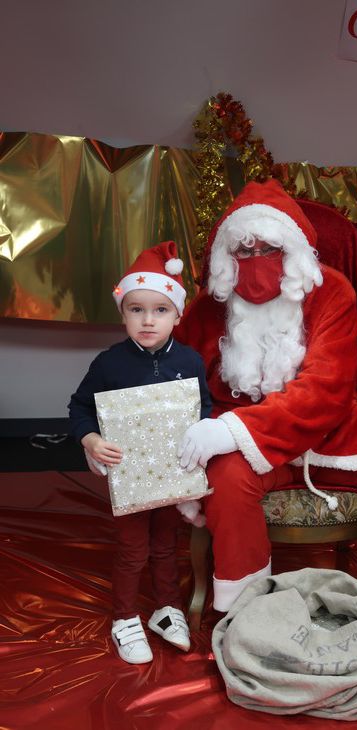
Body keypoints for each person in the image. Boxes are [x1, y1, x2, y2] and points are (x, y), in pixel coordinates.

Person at [176, 179, 357, 677]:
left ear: (293, 250)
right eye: (243, 247)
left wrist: (232, 430)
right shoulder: (208, 307)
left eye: (269, 247)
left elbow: (327, 390)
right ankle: (246, 616)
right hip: (245, 438)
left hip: (327, 428)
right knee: (226, 480)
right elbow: (175, 377)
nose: (256, 257)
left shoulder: (330, 290)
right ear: (226, 253)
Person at [69, 241, 211, 664]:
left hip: (172, 475)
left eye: (160, 309)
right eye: (137, 309)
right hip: (130, 476)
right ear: (123, 313)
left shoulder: (190, 361)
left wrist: (202, 434)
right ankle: (125, 617)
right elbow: (79, 407)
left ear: (178, 314)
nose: (148, 320)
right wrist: (91, 440)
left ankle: (166, 610)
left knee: (167, 545)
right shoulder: (109, 363)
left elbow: (203, 406)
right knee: (133, 549)